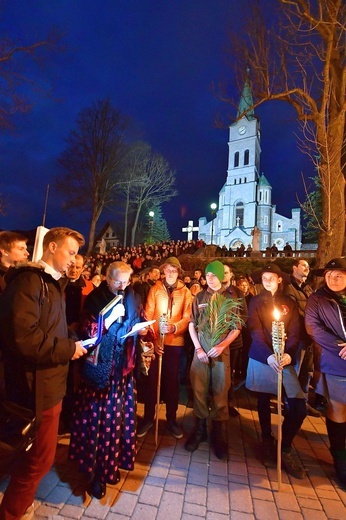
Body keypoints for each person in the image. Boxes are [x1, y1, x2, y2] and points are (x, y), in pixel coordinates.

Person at [0, 227, 86, 520]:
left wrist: (73, 339)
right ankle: (12, 511)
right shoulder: (29, 282)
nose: (74, 260)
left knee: (35, 457)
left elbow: (50, 329)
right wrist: (67, 350)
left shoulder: (52, 284)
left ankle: (18, 504)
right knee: (38, 460)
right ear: (51, 247)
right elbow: (24, 339)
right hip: (36, 389)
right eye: (70, 252)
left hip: (50, 385)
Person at [69, 261, 144, 499]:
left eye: (126, 281)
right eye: (117, 281)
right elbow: (87, 332)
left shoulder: (134, 296)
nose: (123, 286)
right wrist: (108, 320)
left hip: (122, 371)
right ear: (107, 279)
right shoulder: (95, 297)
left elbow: (138, 320)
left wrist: (143, 333)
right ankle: (95, 474)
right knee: (98, 424)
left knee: (117, 423)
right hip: (99, 372)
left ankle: (111, 465)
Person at [245, 263, 307, 479]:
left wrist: (288, 353)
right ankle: (266, 438)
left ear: (280, 279)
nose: (268, 280)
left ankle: (285, 446)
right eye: (264, 277)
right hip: (264, 357)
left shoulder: (288, 302)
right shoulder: (255, 301)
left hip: (284, 358)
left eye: (272, 277)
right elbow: (254, 330)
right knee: (263, 399)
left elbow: (295, 331)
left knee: (298, 406)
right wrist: (268, 355)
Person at [184, 261, 242, 461]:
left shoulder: (231, 298)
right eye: (207, 274)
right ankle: (200, 431)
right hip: (200, 350)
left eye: (213, 274)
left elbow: (236, 328)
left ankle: (218, 434)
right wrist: (198, 347)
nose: (209, 277)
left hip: (220, 351)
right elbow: (192, 324)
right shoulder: (199, 297)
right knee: (198, 389)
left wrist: (222, 346)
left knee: (220, 390)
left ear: (220, 276)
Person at [137, 257, 192, 439]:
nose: (170, 273)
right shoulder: (155, 290)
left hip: (175, 343)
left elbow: (187, 316)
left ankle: (171, 419)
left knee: (171, 383)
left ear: (178, 272)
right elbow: (149, 314)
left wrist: (174, 327)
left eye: (174, 271)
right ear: (163, 271)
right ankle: (148, 418)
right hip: (156, 343)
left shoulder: (185, 292)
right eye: (168, 270)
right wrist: (155, 339)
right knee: (152, 382)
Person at [305, 258, 346, 487]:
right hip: (335, 360)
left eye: (338, 274)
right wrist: (340, 346)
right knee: (338, 407)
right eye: (329, 274)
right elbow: (314, 329)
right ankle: (340, 457)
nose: (333, 278)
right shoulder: (318, 299)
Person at [284, 259, 321, 417]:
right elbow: (294, 312)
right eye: (303, 265)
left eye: (308, 266)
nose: (307, 268)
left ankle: (303, 403)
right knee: (295, 372)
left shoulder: (308, 288)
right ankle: (290, 405)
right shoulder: (289, 287)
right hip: (298, 336)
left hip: (310, 337)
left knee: (307, 371)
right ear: (294, 268)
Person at [222, 264, 248, 416]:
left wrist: (231, 329)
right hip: (216, 341)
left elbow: (243, 314)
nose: (223, 275)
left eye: (226, 272)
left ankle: (227, 402)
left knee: (229, 372)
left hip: (233, 341)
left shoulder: (237, 292)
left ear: (231, 274)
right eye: (221, 272)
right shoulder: (213, 290)